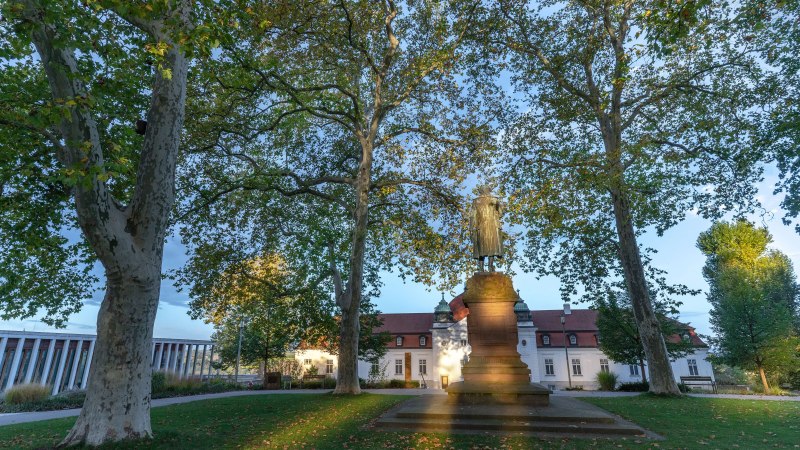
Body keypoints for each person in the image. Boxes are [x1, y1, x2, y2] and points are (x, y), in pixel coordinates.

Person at [470, 185, 503, 272]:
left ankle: (490, 266)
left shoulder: (494, 200)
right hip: (481, 226)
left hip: (491, 226)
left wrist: (498, 204)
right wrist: (471, 228)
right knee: (482, 247)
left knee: (491, 246)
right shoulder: (476, 201)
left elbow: (500, 213)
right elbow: (472, 216)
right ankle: (482, 267)